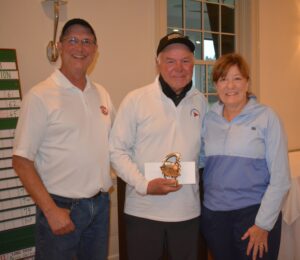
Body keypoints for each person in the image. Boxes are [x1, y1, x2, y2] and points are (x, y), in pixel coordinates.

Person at [12, 18, 114, 260]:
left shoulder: (102, 94)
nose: (80, 48)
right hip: (61, 207)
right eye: (73, 41)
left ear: (95, 50)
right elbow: (21, 160)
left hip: (99, 206)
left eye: (87, 42)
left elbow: (116, 146)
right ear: (60, 47)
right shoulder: (39, 96)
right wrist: (51, 210)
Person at [109, 32, 207, 260]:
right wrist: (144, 185)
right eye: (170, 61)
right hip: (143, 210)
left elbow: (202, 154)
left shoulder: (200, 101)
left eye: (185, 61)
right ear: (158, 63)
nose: (179, 68)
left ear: (193, 63)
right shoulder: (136, 99)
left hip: (187, 212)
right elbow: (116, 151)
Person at [199, 53, 291, 260]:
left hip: (253, 215)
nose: (230, 85)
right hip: (215, 217)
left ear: (247, 82)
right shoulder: (209, 119)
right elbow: (202, 162)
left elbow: (281, 179)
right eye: (223, 79)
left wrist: (263, 224)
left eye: (237, 78)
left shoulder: (267, 117)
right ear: (216, 85)